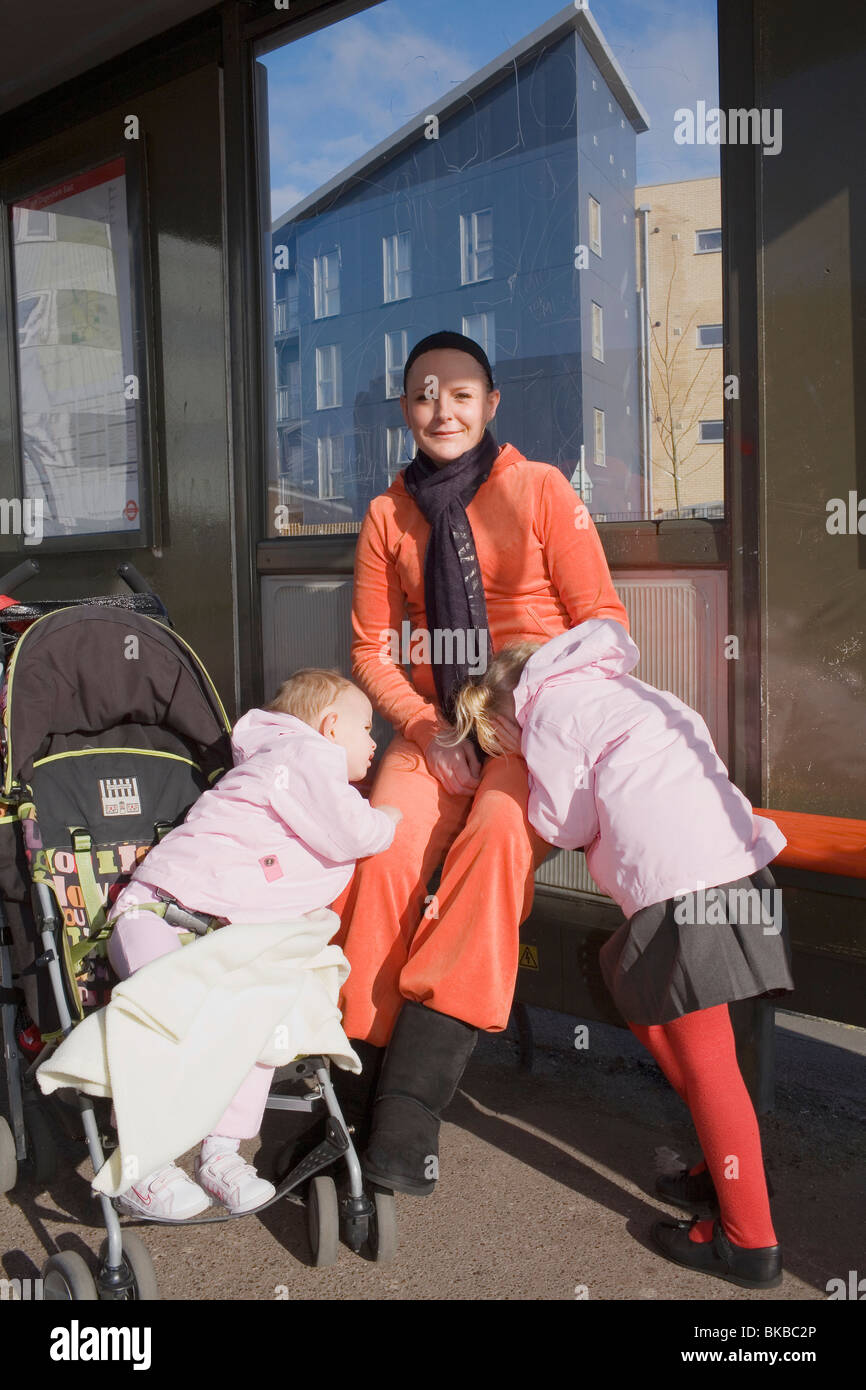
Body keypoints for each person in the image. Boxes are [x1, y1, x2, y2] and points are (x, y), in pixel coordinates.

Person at [329, 329, 629, 1196]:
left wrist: (520, 714)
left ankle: (410, 1105)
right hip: (433, 730)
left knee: (497, 842)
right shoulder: (389, 515)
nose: (442, 409)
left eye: (461, 394)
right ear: (406, 410)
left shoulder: (540, 490)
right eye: (425, 393)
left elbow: (604, 627)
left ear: (491, 406)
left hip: (530, 730)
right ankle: (356, 1073)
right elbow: (371, 651)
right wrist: (428, 731)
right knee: (382, 852)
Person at [442, 617, 793, 1290]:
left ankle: (748, 1241)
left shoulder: (547, 714)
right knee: (627, 977)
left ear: (508, 705)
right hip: (727, 865)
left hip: (681, 883)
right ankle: (728, 1160)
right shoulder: (618, 688)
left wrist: (528, 789)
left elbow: (565, 822)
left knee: (707, 1057)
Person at [106, 669, 401, 1218]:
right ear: (331, 727)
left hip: (219, 934)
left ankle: (221, 1151)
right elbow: (357, 833)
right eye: (367, 729)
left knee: (254, 1018)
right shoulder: (306, 758)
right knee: (161, 1010)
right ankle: (143, 1163)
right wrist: (389, 817)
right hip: (162, 910)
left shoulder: (280, 765)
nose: (374, 741)